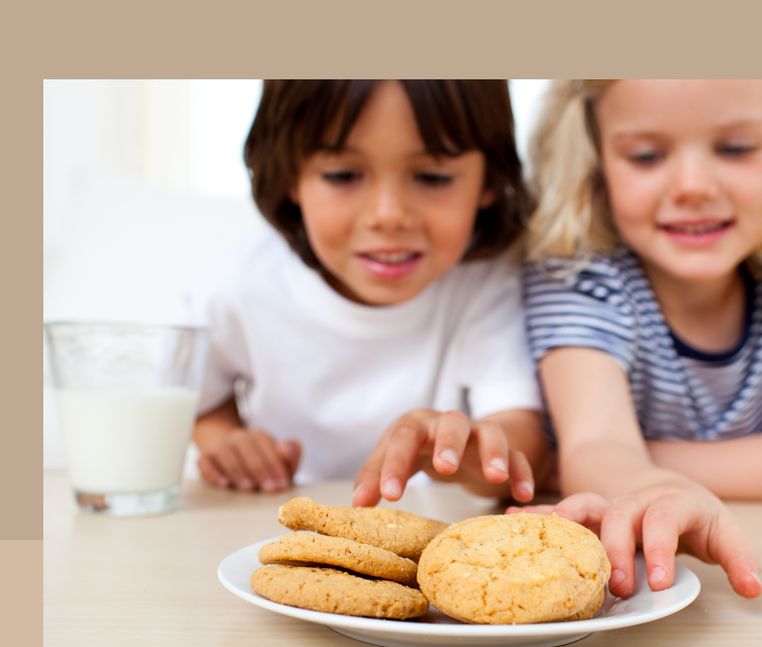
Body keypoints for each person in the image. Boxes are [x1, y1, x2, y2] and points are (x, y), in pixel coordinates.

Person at [521, 80, 762, 598]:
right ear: (596, 168)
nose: (693, 185)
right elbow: (596, 446)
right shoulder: (581, 278)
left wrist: (647, 460)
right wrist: (656, 486)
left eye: (735, 148)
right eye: (647, 156)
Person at [191, 80, 546, 506]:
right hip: (271, 521)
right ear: (289, 175)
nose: (388, 215)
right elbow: (196, 398)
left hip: (427, 534)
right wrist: (225, 438)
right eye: (343, 175)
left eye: (432, 177)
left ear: (490, 180)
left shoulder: (490, 284)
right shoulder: (240, 283)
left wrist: (465, 451)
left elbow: (522, 446)